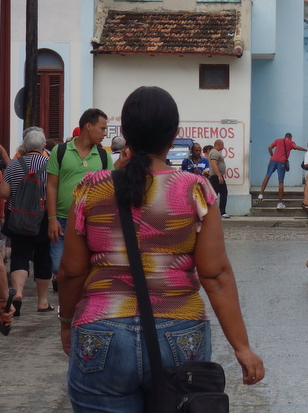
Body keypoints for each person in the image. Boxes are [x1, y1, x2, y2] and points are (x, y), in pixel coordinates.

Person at [57, 86, 264, 409]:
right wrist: (242, 347)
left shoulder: (91, 189)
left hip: (101, 330)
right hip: (181, 334)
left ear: (124, 133)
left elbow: (71, 271)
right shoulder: (195, 189)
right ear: (174, 135)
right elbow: (216, 274)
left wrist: (67, 322)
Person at [46, 108, 112, 293]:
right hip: (62, 221)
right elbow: (51, 186)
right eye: (102, 128)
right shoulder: (59, 151)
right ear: (88, 126)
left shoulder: (103, 156)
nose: (104, 134)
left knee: (89, 269)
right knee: (60, 268)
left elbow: (110, 188)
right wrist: (51, 219)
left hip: (93, 222)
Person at [1, 127, 52, 315]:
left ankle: (18, 294)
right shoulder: (50, 164)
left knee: (20, 256)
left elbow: (4, 193)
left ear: (24, 145)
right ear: (43, 145)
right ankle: (42, 302)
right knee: (42, 257)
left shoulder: (14, 164)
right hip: (43, 219)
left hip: (18, 217)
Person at [258, 132, 305, 209]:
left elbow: (269, 147)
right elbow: (296, 147)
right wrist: (305, 150)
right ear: (291, 138)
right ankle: (279, 203)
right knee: (280, 181)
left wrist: (272, 155)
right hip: (281, 162)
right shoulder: (291, 142)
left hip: (273, 160)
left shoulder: (278, 140)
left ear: (284, 136)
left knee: (267, 176)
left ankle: (261, 194)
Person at [208, 140, 230, 218]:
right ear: (218, 144)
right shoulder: (214, 152)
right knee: (224, 192)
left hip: (215, 176)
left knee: (214, 194)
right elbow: (214, 164)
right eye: (222, 145)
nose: (223, 147)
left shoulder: (215, 152)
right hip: (216, 176)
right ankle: (222, 212)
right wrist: (219, 176)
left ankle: (212, 212)